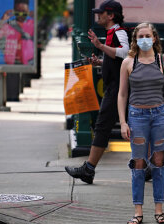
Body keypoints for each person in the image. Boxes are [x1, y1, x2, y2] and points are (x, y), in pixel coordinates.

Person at [117, 22, 164, 224]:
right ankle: (138, 211)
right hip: (137, 115)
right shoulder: (128, 63)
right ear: (136, 40)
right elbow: (122, 94)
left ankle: (159, 210)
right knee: (138, 162)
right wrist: (123, 122)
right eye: (140, 36)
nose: (144, 39)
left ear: (154, 38)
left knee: (159, 161)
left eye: (148, 35)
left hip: (160, 115)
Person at [65, 0, 129, 184]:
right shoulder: (112, 33)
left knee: (103, 126)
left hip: (119, 89)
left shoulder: (120, 32)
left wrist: (100, 47)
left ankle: (89, 169)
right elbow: (116, 58)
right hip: (115, 88)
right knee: (115, 126)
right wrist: (101, 62)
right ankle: (149, 166)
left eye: (101, 13)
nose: (97, 15)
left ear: (111, 16)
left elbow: (125, 53)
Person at [0, 0, 34, 65]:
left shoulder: (31, 24)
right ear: (14, 11)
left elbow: (38, 36)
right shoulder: (8, 25)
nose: (21, 15)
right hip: (12, 62)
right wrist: (2, 21)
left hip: (28, 62)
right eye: (18, 12)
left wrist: (35, 17)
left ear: (28, 12)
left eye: (24, 12)